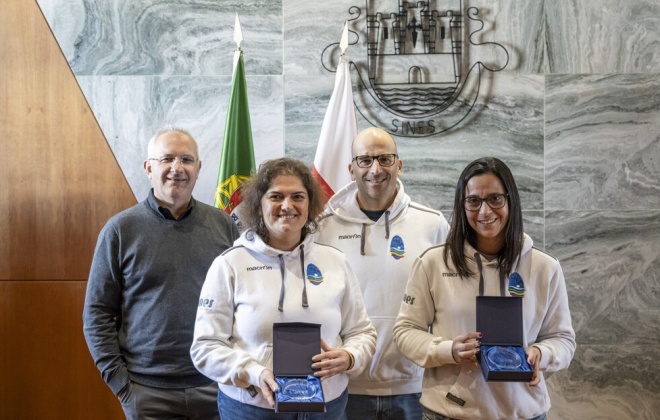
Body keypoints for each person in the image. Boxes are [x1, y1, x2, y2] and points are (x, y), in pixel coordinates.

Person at [190, 157, 377, 420]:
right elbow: (205, 347)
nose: (287, 206)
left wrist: (349, 356)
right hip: (253, 408)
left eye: (298, 197)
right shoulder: (230, 264)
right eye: (276, 196)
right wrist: (254, 373)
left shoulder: (336, 262)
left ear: (310, 204)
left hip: (326, 408)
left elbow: (362, 332)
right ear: (258, 204)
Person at [393, 157, 576, 420]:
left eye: (495, 199)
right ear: (462, 204)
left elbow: (563, 340)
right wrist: (448, 350)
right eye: (474, 201)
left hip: (523, 412)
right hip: (449, 411)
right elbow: (405, 331)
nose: (485, 212)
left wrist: (540, 354)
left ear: (510, 200)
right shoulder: (432, 263)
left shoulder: (544, 267)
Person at [83, 127, 239, 419]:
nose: (177, 169)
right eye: (167, 159)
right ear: (149, 167)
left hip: (217, 386)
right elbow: (96, 314)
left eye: (186, 160)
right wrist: (121, 385)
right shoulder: (120, 230)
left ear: (199, 168)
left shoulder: (224, 226)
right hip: (147, 392)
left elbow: (244, 300)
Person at [315, 127, 449, 420]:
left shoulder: (432, 224)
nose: (375, 169)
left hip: (414, 387)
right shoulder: (323, 228)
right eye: (365, 160)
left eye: (384, 159)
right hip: (343, 386)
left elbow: (449, 302)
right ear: (351, 169)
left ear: (399, 165)